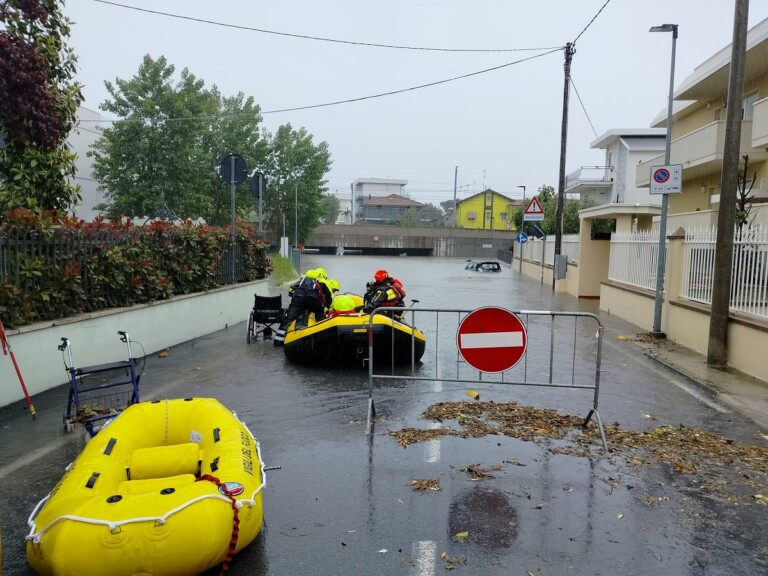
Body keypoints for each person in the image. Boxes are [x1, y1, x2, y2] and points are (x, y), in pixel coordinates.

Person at [274, 269, 329, 346]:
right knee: (320, 316)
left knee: (289, 318)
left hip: (298, 298)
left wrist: (297, 297)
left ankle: (278, 341)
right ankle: (324, 338)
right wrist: (324, 309)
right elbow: (324, 297)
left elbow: (291, 290)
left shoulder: (302, 280)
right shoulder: (320, 282)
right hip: (312, 298)